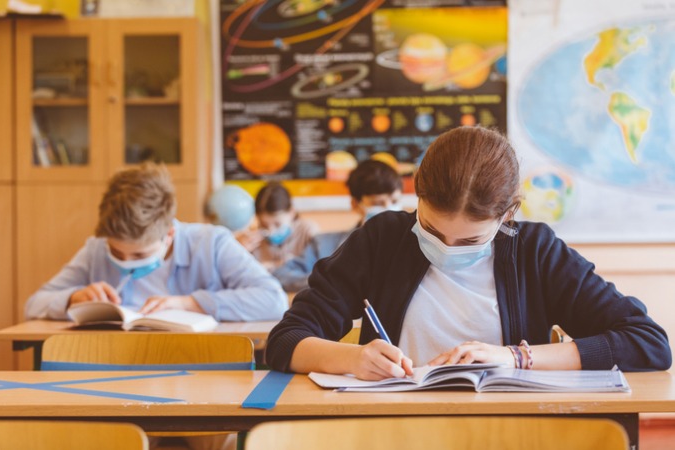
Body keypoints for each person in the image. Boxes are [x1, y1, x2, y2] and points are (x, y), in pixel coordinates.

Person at [266, 126, 671, 381]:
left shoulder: (534, 250)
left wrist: (516, 358)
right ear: (417, 195)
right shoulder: (382, 239)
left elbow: (648, 343)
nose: (445, 248)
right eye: (430, 230)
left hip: (512, 435)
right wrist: (351, 358)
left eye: (469, 242)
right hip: (391, 432)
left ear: (507, 215)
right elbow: (285, 341)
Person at [25, 162, 288, 323]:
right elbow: (34, 304)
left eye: (139, 255)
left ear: (169, 235)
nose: (125, 262)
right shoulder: (95, 249)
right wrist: (73, 297)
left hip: (200, 371)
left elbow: (273, 300)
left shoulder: (212, 243)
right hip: (114, 370)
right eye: (116, 252)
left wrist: (188, 303)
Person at [273, 159, 403, 292]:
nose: (389, 209)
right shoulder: (323, 244)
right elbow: (281, 276)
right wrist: (328, 280)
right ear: (355, 204)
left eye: (394, 201)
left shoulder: (414, 243)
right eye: (377, 203)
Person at [235, 181, 318, 272]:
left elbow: (318, 267)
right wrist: (238, 250)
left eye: (277, 224)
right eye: (263, 224)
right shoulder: (252, 241)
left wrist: (275, 265)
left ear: (292, 212)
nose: (271, 231)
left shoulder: (307, 231)